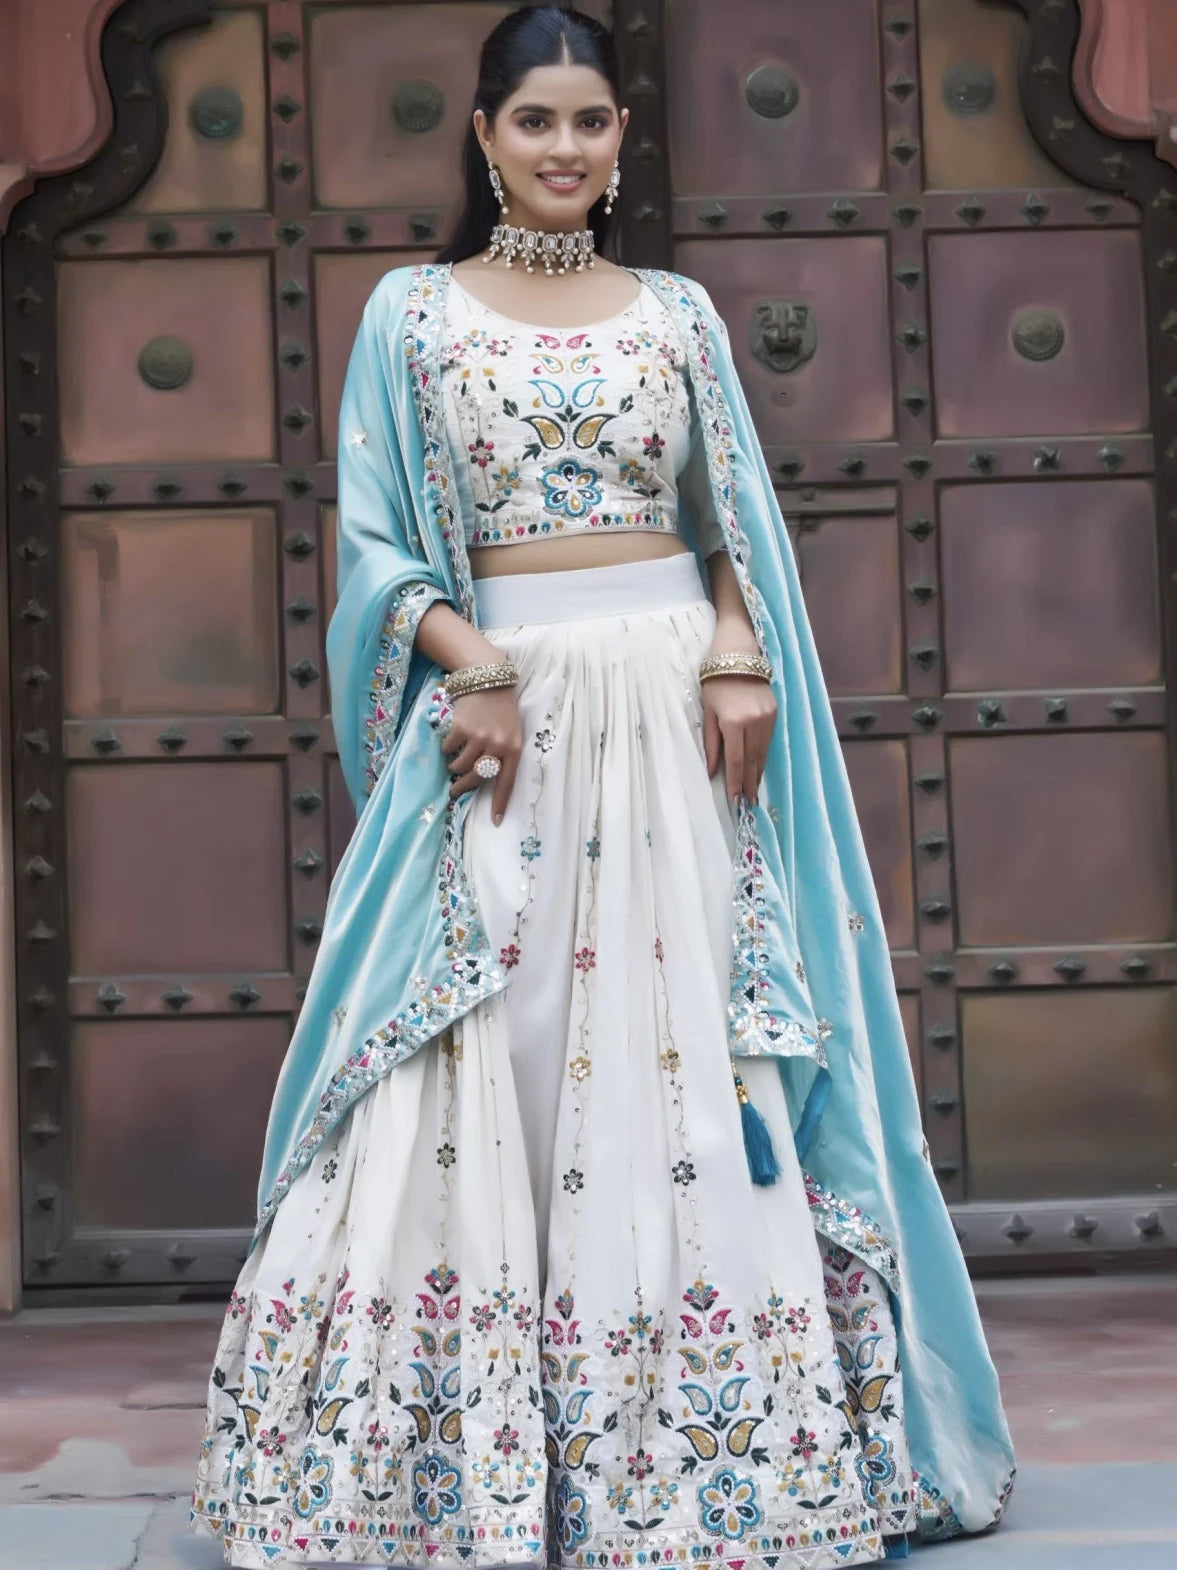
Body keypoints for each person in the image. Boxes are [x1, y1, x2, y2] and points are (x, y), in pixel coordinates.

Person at [190, 8, 1015, 1567]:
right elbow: (372, 548)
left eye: (590, 121)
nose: (565, 148)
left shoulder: (681, 315)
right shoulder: (412, 315)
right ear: (483, 138)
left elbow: (732, 533)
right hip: (506, 706)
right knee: (484, 1036)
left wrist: (734, 653)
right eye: (534, 122)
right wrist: (472, 666)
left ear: (622, 136)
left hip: (668, 717)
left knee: (684, 1050)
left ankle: (709, 1460)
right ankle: (451, 1464)